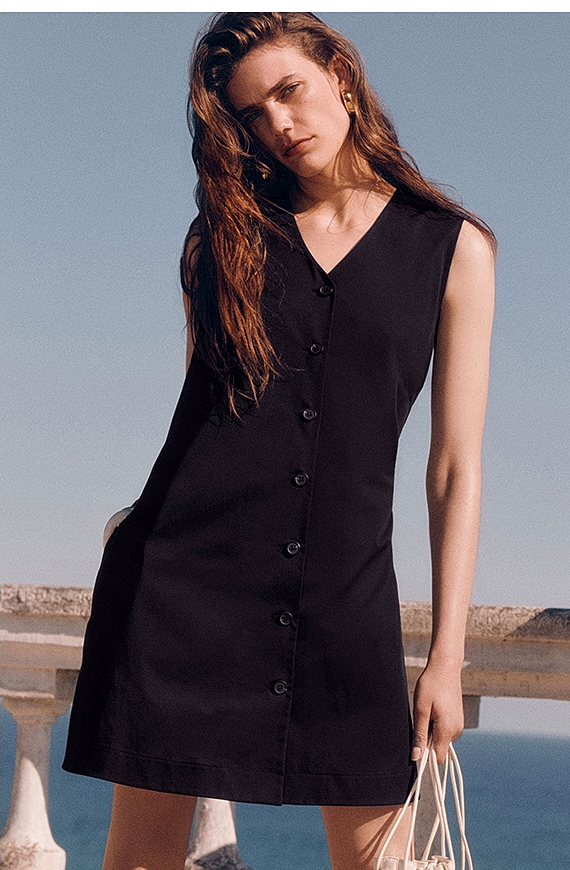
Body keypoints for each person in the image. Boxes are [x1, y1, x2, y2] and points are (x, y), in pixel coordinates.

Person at [63, 12, 495, 870]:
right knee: (138, 860)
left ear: (342, 77)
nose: (279, 125)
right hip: (182, 592)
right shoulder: (221, 241)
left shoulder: (453, 249)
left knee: (380, 860)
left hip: (346, 598)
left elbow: (453, 467)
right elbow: (203, 421)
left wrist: (446, 656)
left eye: (289, 92)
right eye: (253, 115)